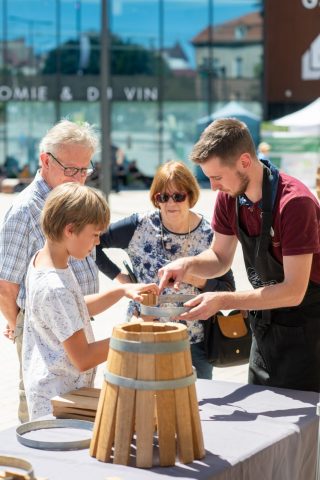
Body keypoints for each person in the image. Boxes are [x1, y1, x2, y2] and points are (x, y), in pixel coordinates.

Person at [158, 118, 320, 393]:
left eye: (217, 177)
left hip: (307, 328)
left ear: (245, 161)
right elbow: (220, 258)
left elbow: (293, 291)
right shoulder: (229, 197)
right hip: (265, 327)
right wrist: (187, 265)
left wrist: (222, 300)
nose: (212, 187)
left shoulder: (295, 203)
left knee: (300, 426)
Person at [23, 183, 158, 420]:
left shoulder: (44, 261)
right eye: (94, 235)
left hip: (58, 393)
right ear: (70, 230)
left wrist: (121, 290)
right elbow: (83, 358)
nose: (97, 243)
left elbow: (72, 309)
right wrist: (135, 330)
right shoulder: (55, 286)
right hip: (59, 405)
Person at [96, 160, 235, 380]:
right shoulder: (138, 226)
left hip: (194, 343)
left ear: (191, 196)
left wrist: (196, 280)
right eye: (163, 197)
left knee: (198, 409)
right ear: (156, 199)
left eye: (178, 196)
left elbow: (228, 289)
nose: (171, 202)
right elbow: (92, 242)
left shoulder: (210, 233)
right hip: (145, 333)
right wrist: (121, 279)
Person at [0, 119, 100, 422]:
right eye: (72, 169)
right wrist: (22, 324)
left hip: (72, 317)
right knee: (40, 411)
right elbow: (6, 286)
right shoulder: (26, 209)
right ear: (45, 161)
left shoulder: (72, 200)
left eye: (85, 170)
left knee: (71, 408)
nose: (80, 178)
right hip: (47, 326)